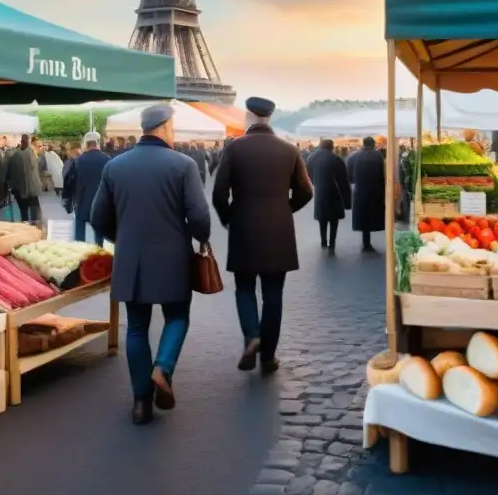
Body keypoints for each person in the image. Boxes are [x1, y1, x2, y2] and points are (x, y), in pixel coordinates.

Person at [90, 104, 211, 425]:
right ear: (165, 126)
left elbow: (97, 216)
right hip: (173, 256)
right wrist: (201, 237)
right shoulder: (183, 165)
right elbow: (199, 216)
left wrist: (122, 237)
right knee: (177, 316)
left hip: (131, 257)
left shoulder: (115, 167)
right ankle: (163, 368)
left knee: (137, 327)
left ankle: (141, 402)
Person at [212, 96, 312, 375]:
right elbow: (306, 191)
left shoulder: (234, 149)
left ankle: (251, 336)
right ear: (269, 118)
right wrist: (285, 209)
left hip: (243, 226)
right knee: (273, 293)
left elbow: (219, 194)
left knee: (244, 288)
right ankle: (268, 356)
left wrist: (228, 218)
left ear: (248, 116)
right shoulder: (289, 149)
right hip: (278, 228)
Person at [63, 132, 110, 247]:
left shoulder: (78, 161)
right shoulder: (108, 160)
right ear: (98, 143)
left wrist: (67, 199)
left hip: (82, 202)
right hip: (101, 204)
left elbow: (69, 182)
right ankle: (99, 251)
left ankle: (80, 254)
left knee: (79, 230)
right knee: (99, 233)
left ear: (86, 144)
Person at [307, 139, 351, 252]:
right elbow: (343, 181)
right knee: (334, 220)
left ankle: (323, 241)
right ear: (331, 147)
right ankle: (332, 242)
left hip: (319, 192)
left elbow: (308, 175)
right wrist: (347, 201)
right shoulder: (336, 159)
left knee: (322, 219)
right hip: (333, 193)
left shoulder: (311, 158)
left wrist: (315, 183)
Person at [346, 136, 386, 252]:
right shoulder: (378, 156)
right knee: (374, 217)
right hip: (376, 191)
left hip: (360, 191)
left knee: (364, 219)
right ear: (373, 144)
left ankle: (366, 242)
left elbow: (348, 175)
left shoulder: (353, 156)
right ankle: (369, 243)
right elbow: (383, 174)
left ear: (363, 144)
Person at [5, 134, 42, 224]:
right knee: (34, 211)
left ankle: (27, 227)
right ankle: (35, 227)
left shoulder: (13, 155)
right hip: (30, 190)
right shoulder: (32, 154)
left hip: (19, 189)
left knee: (24, 211)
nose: (41, 148)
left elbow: (7, 173)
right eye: (39, 146)